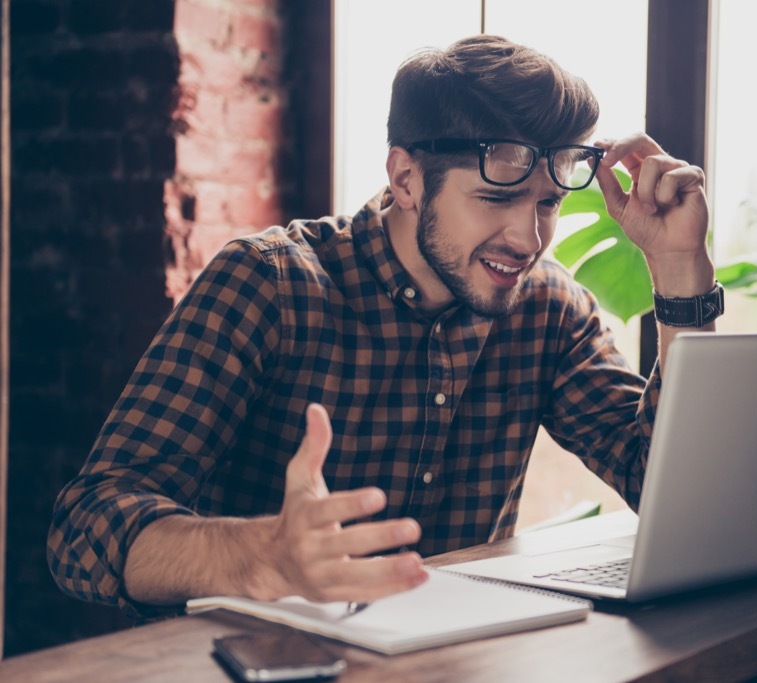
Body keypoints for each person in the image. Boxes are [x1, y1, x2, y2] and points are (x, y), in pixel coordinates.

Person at [47, 35, 721, 618]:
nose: (528, 236)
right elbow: (85, 526)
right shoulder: (270, 284)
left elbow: (670, 494)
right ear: (405, 178)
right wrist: (261, 555)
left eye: (546, 203)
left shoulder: (546, 308)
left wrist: (679, 270)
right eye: (496, 198)